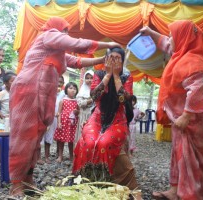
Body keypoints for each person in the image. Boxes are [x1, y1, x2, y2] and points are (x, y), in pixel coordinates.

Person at [8, 17, 121, 197]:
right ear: (57, 29)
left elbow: (77, 62)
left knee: (35, 140)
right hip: (28, 92)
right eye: (65, 30)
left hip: (43, 95)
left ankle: (27, 179)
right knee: (23, 139)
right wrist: (107, 44)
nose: (66, 33)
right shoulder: (48, 36)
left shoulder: (56, 51)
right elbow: (75, 43)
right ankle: (15, 184)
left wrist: (104, 58)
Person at [141, 20, 203, 199]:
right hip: (182, 119)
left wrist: (187, 116)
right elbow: (166, 43)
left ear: (184, 38)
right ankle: (176, 190)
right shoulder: (181, 55)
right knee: (179, 154)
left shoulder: (193, 61)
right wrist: (150, 32)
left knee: (191, 159)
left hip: (193, 120)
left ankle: (192, 195)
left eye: (173, 35)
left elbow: (197, 90)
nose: (170, 38)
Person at [73, 47, 141, 195]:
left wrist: (116, 76)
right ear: (105, 60)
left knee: (105, 142)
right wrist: (108, 74)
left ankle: (106, 181)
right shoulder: (99, 74)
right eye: (111, 58)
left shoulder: (127, 77)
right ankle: (85, 180)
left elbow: (124, 100)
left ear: (122, 62)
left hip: (118, 119)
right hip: (97, 117)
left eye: (118, 58)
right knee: (90, 141)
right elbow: (95, 97)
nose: (114, 61)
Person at [37, 75, 65, 164]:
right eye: (57, 82)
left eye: (60, 82)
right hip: (45, 117)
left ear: (63, 84)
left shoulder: (63, 94)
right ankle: (38, 157)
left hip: (55, 118)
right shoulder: (48, 92)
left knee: (49, 137)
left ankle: (47, 156)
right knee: (40, 137)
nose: (58, 84)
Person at [54, 82, 79, 163]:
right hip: (64, 123)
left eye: (74, 89)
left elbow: (78, 112)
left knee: (71, 140)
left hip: (72, 124)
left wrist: (76, 112)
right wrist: (59, 123)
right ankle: (60, 156)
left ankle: (71, 156)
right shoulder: (63, 100)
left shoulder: (76, 101)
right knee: (61, 140)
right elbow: (59, 112)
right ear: (66, 89)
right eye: (70, 88)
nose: (73, 90)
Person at [75, 70, 94, 145]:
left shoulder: (97, 89)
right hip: (84, 115)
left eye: (91, 78)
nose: (89, 80)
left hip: (94, 117)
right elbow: (80, 103)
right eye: (87, 78)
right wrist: (91, 100)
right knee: (82, 135)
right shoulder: (82, 90)